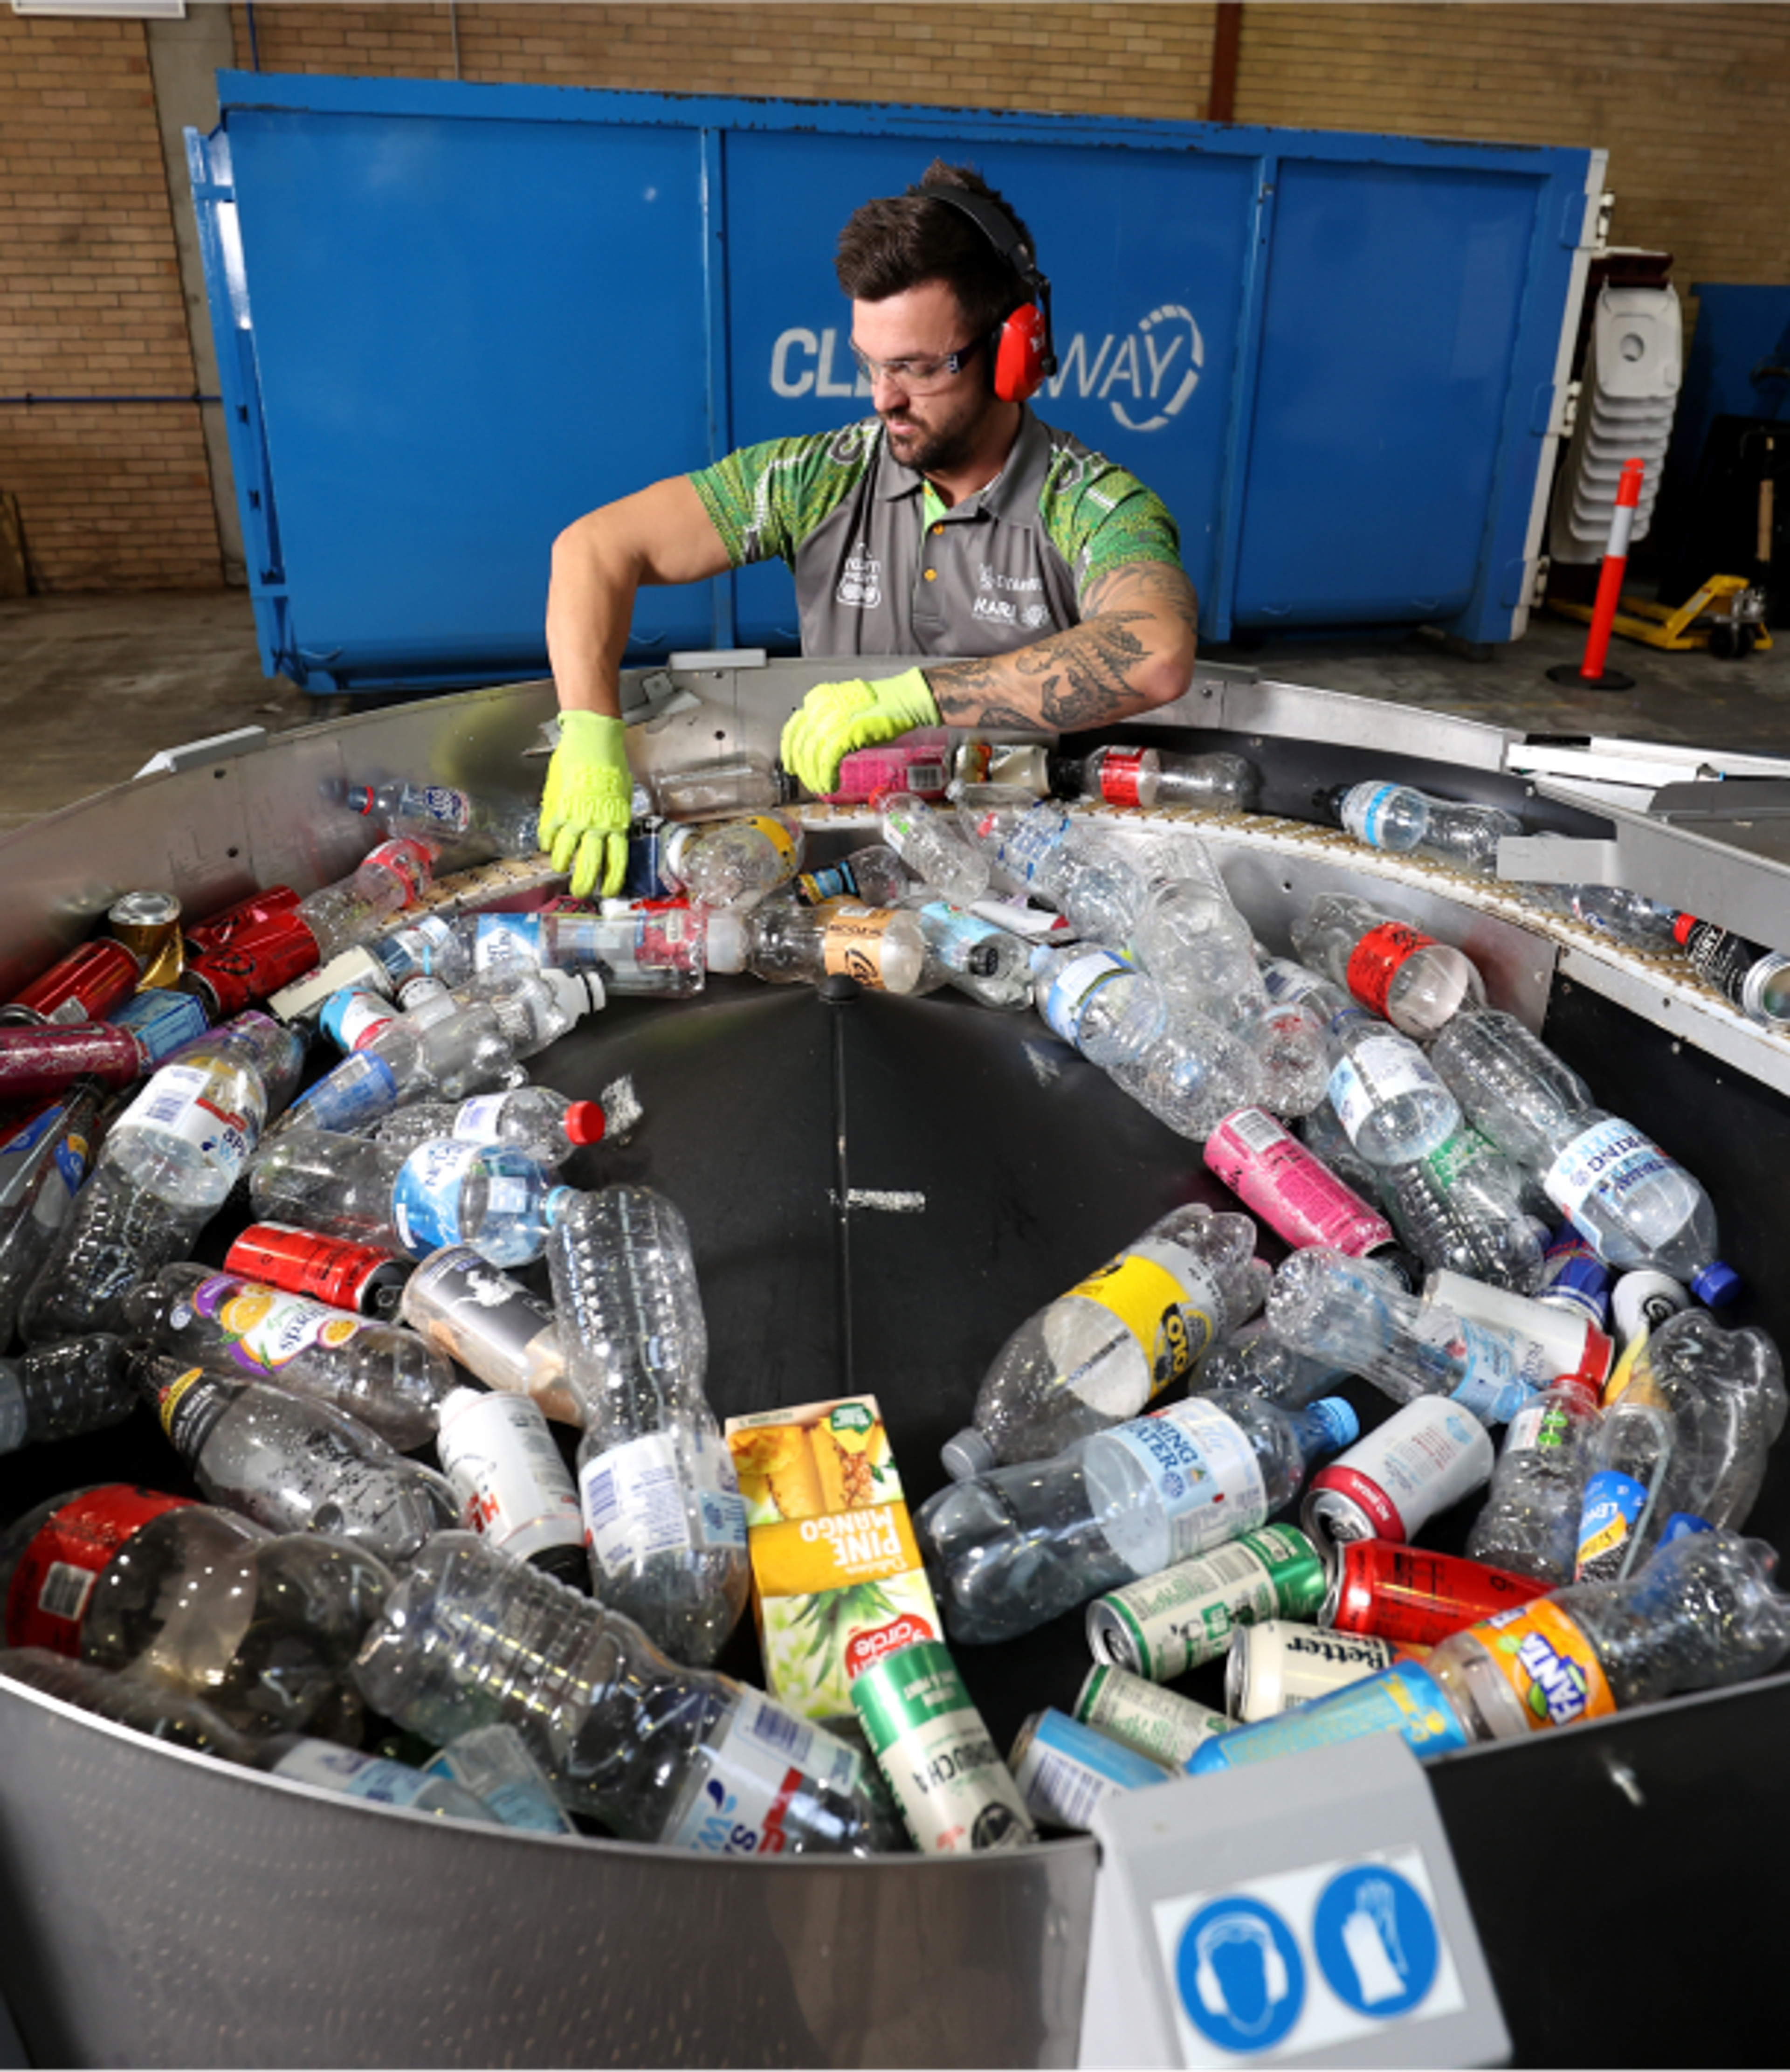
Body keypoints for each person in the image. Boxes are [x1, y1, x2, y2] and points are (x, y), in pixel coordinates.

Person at [538, 159, 1200, 898]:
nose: (886, 399)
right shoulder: (816, 478)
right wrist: (590, 735)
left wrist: (915, 697)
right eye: (870, 364)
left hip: (1024, 880)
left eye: (918, 369)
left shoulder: (1091, 504)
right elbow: (595, 548)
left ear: (1014, 351)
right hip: (846, 880)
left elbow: (1156, 651)